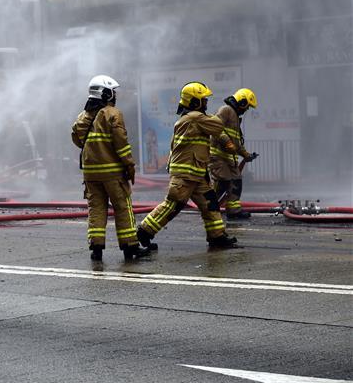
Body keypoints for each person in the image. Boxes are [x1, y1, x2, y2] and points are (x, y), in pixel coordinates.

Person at [137, 82, 240, 250]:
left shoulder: (188, 119)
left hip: (196, 173)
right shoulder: (194, 118)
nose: (206, 103)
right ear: (194, 102)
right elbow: (218, 125)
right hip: (186, 174)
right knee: (173, 205)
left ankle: (217, 237)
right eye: (203, 100)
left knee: (210, 204)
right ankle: (144, 232)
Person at [71, 75, 150, 262]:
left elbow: (76, 139)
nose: (115, 96)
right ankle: (130, 247)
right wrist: (129, 165)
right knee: (123, 207)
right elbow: (121, 144)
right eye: (112, 92)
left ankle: (96, 248)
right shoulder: (112, 113)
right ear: (105, 94)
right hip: (113, 174)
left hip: (90, 175)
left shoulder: (83, 116)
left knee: (96, 209)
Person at [209, 88, 259, 219]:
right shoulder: (225, 110)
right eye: (247, 106)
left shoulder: (236, 117)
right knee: (223, 182)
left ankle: (233, 211)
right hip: (218, 157)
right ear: (242, 102)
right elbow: (216, 128)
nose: (246, 110)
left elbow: (236, 143)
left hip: (229, 159)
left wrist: (247, 155)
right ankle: (208, 207)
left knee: (236, 181)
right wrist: (227, 142)